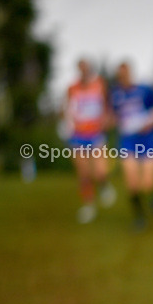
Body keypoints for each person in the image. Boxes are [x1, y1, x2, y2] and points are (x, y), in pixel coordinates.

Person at [109, 62, 153, 230]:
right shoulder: (115, 94)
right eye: (120, 76)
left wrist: (151, 121)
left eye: (125, 74)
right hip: (128, 141)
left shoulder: (145, 90)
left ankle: (152, 195)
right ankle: (139, 216)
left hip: (149, 140)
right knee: (132, 183)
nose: (123, 78)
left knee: (147, 183)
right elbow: (112, 115)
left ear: (130, 73)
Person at [63, 58, 116, 223]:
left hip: (96, 133)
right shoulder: (72, 88)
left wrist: (108, 119)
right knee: (84, 173)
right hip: (78, 134)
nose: (83, 71)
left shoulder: (101, 84)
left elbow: (109, 106)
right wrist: (67, 123)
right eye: (81, 69)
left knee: (100, 171)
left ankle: (104, 185)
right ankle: (89, 205)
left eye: (86, 68)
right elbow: (67, 109)